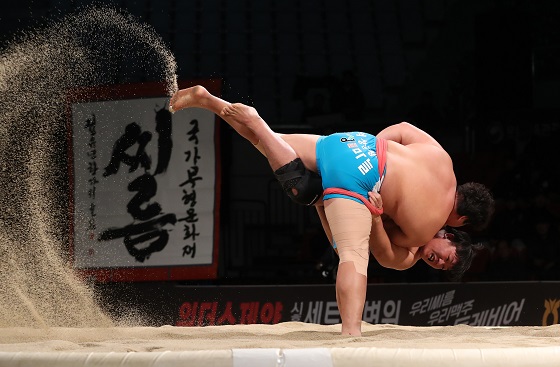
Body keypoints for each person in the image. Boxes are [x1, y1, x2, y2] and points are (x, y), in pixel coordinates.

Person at [169, 85, 494, 335]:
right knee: (351, 253)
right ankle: (351, 333)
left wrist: (371, 153)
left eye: (440, 267)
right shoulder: (422, 231)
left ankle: (211, 101)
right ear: (457, 226)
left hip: (357, 145)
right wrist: (374, 185)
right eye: (446, 257)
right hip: (363, 176)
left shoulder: (443, 159)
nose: (437, 261)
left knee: (269, 142)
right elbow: (378, 250)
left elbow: (404, 128)